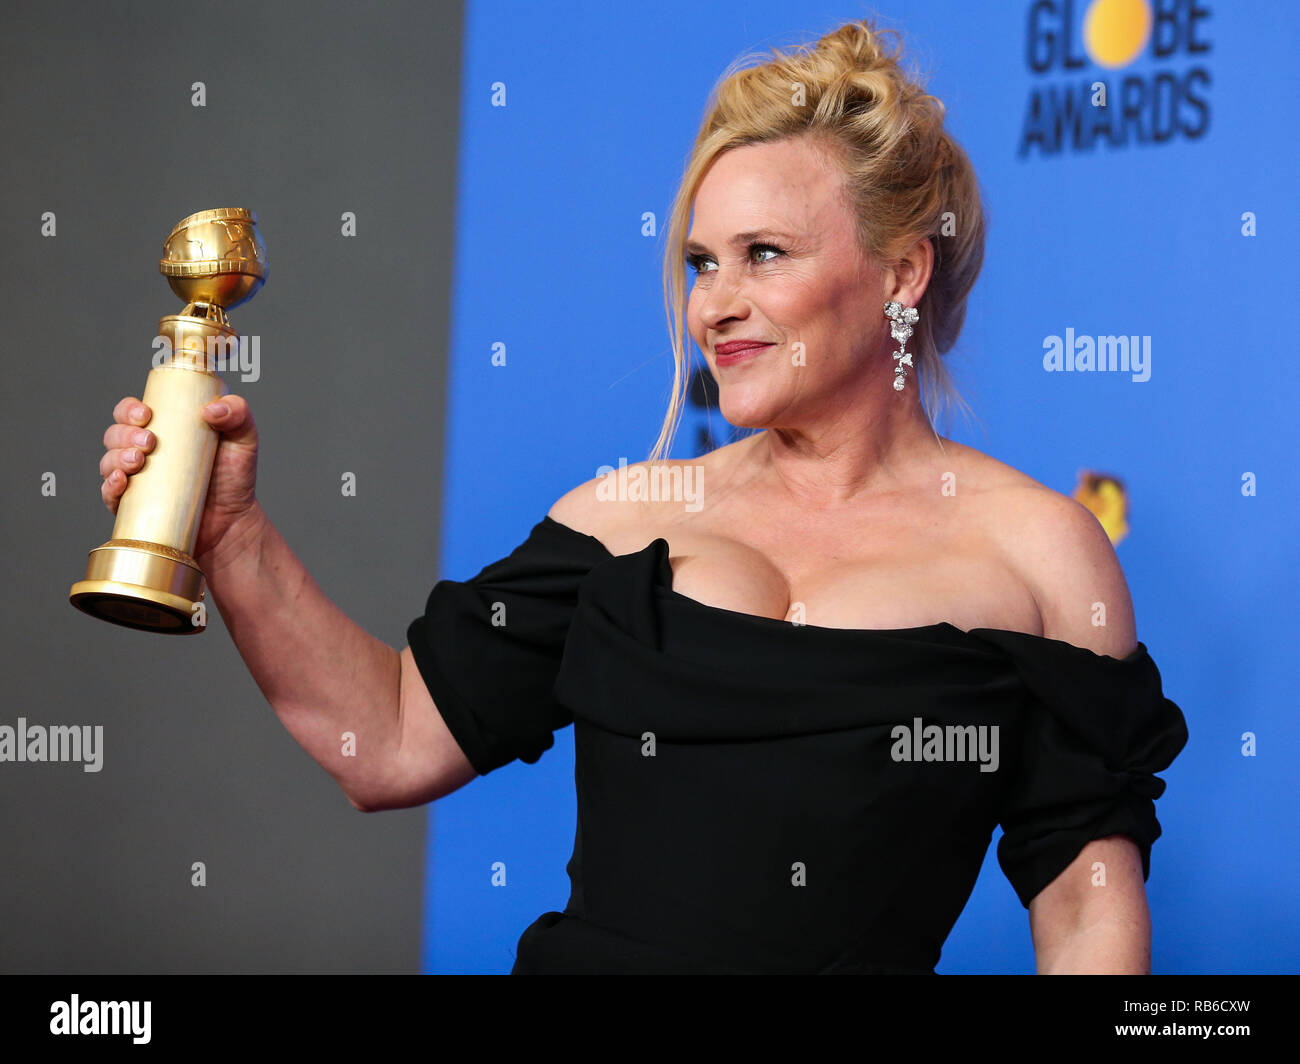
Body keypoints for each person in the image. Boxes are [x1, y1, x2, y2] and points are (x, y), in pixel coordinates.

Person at [96, 20, 1187, 974]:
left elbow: (1087, 908)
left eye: (765, 254)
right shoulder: (623, 518)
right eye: (701, 262)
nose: (718, 303)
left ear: (901, 273)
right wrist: (230, 536)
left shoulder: (1042, 556)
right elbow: (383, 739)